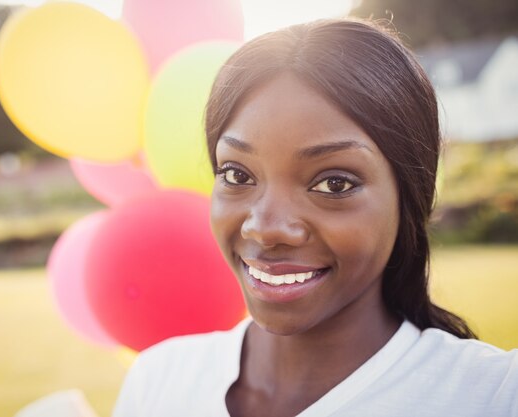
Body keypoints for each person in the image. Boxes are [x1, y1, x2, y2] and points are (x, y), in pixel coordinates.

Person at [111, 19, 518, 417]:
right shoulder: (158, 382)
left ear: (410, 193)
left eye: (334, 184)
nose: (266, 227)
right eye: (237, 175)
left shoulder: (493, 397)